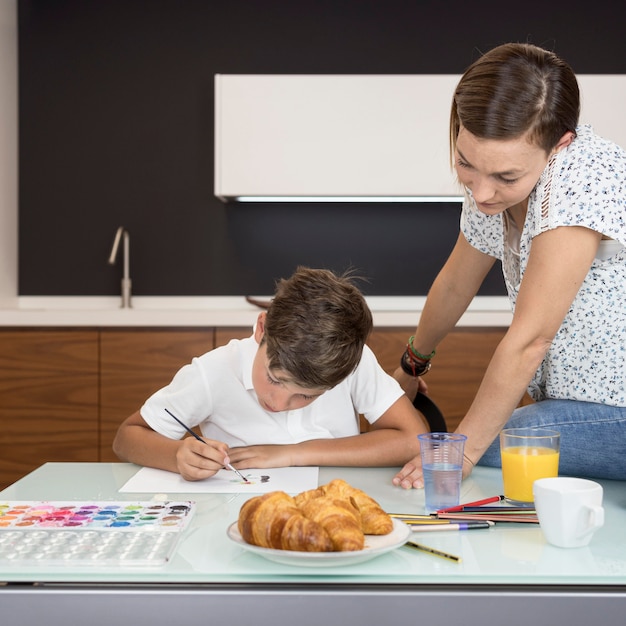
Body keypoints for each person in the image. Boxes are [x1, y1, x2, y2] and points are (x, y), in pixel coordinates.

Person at [392, 42, 626, 490]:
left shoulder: (584, 176)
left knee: (510, 443)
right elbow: (456, 284)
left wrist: (463, 451)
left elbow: (531, 340)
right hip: (578, 402)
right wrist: (410, 366)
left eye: (505, 177)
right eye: (466, 164)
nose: (481, 193)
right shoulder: (493, 177)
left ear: (560, 145)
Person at [113, 266, 427, 481]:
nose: (278, 402)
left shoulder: (351, 362)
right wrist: (177, 455)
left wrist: (295, 454)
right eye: (275, 379)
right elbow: (126, 439)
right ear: (262, 330)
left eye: (305, 395)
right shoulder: (214, 371)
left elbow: (415, 440)